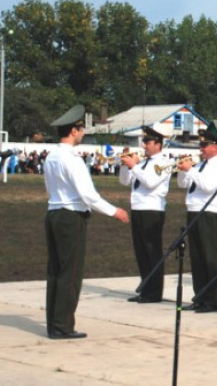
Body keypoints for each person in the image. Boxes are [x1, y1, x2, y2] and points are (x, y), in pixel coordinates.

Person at [43, 105, 130, 339]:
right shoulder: (72, 159)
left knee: (56, 271)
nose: (83, 133)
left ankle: (54, 322)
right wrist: (114, 211)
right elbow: (88, 195)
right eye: (81, 129)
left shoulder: (52, 156)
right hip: (71, 216)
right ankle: (62, 325)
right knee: (70, 273)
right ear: (73, 131)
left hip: (54, 212)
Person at [176, 123, 217, 314]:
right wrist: (183, 170)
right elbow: (183, 184)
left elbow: (209, 186)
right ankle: (199, 296)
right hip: (193, 210)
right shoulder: (199, 165)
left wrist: (190, 170)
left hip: (209, 213)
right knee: (197, 258)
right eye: (200, 146)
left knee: (209, 257)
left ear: (215, 146)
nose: (201, 149)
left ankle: (212, 300)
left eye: (205, 145)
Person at [119, 126, 170, 303]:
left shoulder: (163, 162)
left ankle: (154, 292)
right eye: (144, 142)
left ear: (158, 144)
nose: (144, 146)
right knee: (141, 251)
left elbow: (150, 182)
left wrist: (134, 166)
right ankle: (145, 288)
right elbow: (124, 181)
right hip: (138, 208)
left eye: (147, 142)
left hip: (152, 209)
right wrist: (125, 166)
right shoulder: (142, 163)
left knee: (152, 251)